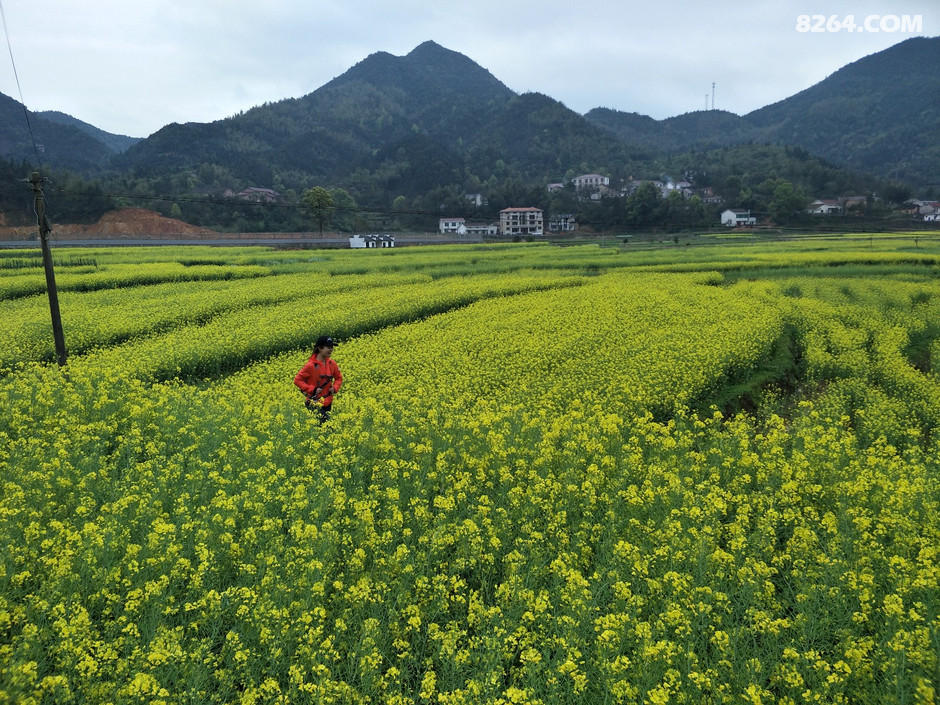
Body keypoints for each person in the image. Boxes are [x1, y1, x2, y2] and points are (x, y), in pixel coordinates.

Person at [294, 336, 343, 423]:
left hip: (328, 402)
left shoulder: (332, 364)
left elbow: (339, 378)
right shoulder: (310, 366)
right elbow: (297, 380)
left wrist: (335, 388)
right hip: (314, 402)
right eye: (328, 347)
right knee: (328, 426)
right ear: (320, 348)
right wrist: (312, 389)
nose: (331, 350)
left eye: (332, 347)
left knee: (323, 429)